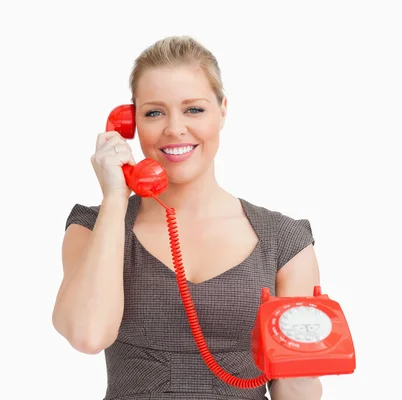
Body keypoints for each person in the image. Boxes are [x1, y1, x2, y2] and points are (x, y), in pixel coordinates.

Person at [52, 35, 323, 400]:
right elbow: (87, 335)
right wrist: (116, 197)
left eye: (193, 109)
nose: (175, 128)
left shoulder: (285, 241)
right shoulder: (92, 227)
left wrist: (306, 362)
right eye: (154, 112)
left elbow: (293, 390)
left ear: (222, 111)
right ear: (129, 123)